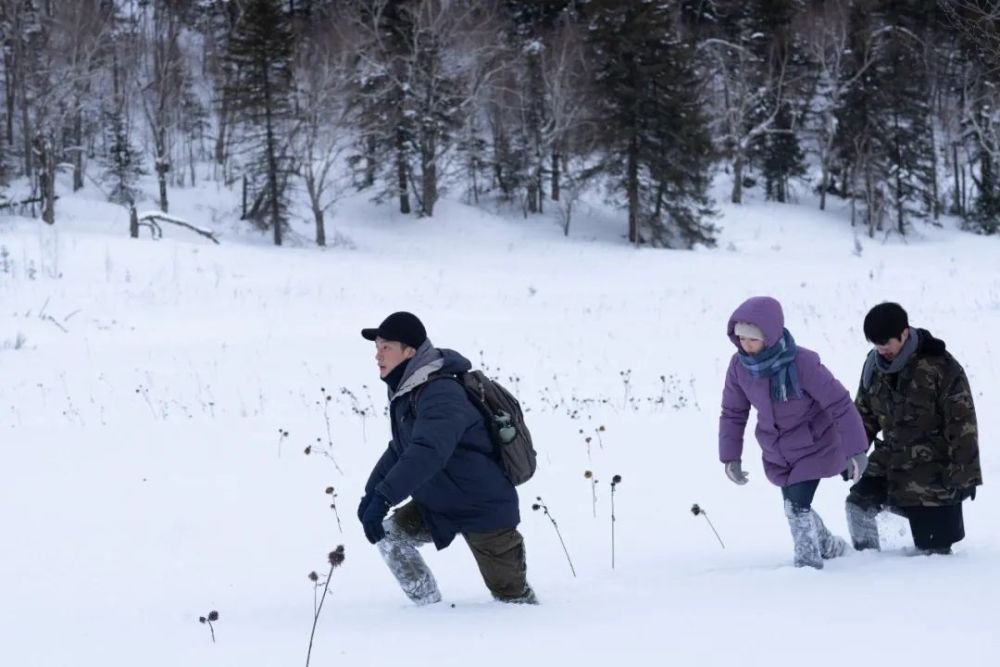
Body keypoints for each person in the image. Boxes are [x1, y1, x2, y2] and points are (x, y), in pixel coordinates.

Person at [356, 311, 537, 605]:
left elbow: (427, 452)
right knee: (391, 538)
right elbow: (401, 448)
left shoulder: (441, 393)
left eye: (386, 347)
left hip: (483, 508)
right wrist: (372, 493)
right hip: (440, 503)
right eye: (376, 347)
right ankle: (428, 610)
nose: (378, 355)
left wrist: (385, 496)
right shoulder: (410, 391)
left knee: (514, 601)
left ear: (410, 351)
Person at [719, 296, 869, 569]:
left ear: (771, 335)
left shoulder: (803, 363)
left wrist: (857, 451)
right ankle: (829, 545)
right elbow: (733, 413)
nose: (746, 345)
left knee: (796, 508)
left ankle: (808, 563)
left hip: (817, 444)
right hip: (778, 450)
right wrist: (731, 457)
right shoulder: (739, 367)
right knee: (795, 506)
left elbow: (840, 403)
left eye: (752, 339)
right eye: (741, 338)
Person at [846, 302, 982, 555]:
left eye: (886, 345)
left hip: (934, 474)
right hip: (890, 462)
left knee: (934, 551)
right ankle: (866, 565)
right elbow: (863, 415)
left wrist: (965, 473)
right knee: (858, 506)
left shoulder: (941, 366)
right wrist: (850, 454)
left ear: (904, 333)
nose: (881, 351)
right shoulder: (873, 367)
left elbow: (963, 423)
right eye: (876, 345)